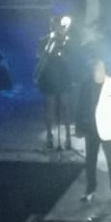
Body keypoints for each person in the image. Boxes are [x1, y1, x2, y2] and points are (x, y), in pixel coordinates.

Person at [77, 60, 111, 204]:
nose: (98, 72)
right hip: (91, 128)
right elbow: (81, 106)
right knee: (90, 160)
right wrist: (80, 127)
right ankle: (90, 189)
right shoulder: (86, 85)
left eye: (100, 69)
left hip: (108, 129)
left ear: (105, 69)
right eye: (95, 69)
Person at [36, 15, 77, 150]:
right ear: (51, 27)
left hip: (62, 74)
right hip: (49, 75)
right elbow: (39, 57)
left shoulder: (66, 40)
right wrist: (50, 44)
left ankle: (68, 138)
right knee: (50, 106)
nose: (57, 28)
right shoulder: (44, 40)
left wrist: (63, 41)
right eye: (54, 26)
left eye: (59, 26)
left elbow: (71, 56)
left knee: (65, 105)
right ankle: (50, 137)